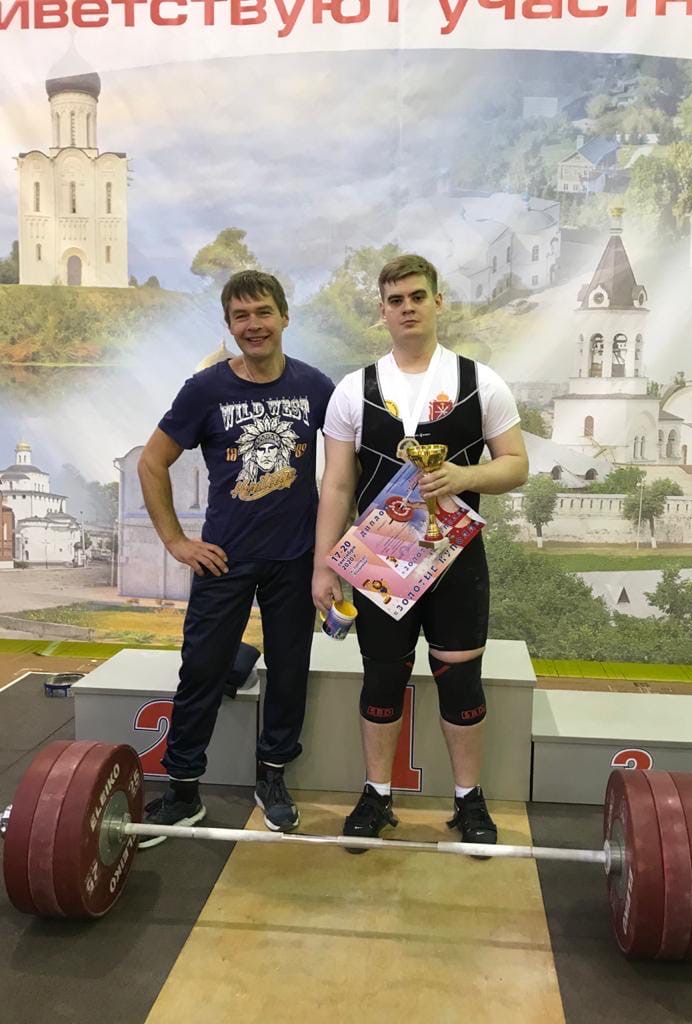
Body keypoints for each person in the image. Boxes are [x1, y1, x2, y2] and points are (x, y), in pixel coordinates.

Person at [312, 253, 528, 849]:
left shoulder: (481, 381)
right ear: (382, 311)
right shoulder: (353, 390)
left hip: (455, 560)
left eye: (416, 296)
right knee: (382, 678)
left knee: (461, 683)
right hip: (381, 558)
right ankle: (376, 795)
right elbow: (336, 486)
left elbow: (516, 465)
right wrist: (323, 566)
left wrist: (464, 477)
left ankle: (468, 800)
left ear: (438, 301)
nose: (407, 308)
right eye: (395, 300)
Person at [137, 270, 334, 845]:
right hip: (224, 557)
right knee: (201, 669)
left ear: (284, 317)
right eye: (241, 316)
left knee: (290, 671)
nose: (254, 325)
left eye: (263, 312)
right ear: (229, 325)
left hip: (295, 557)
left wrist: (340, 545)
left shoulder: (316, 386)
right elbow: (151, 462)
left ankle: (272, 778)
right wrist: (176, 542)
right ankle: (183, 793)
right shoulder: (205, 390)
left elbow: (349, 462)